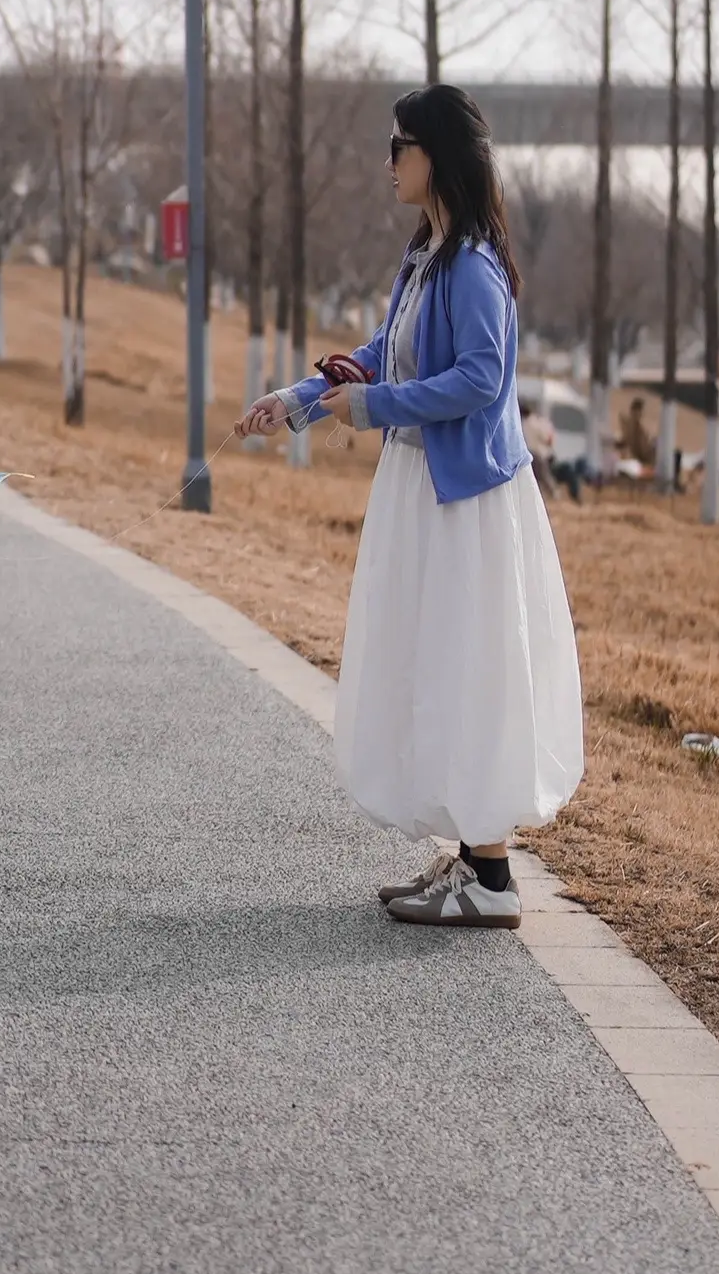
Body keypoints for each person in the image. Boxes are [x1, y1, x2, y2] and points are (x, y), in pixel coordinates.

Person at [237, 83, 584, 929]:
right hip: (425, 494)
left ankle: (493, 880)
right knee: (436, 662)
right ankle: (470, 862)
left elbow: (480, 378)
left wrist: (376, 407)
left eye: (400, 146)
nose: (388, 162)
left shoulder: (470, 265)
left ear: (437, 156)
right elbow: (381, 355)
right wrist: (300, 399)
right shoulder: (427, 254)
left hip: (463, 504)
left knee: (466, 665)